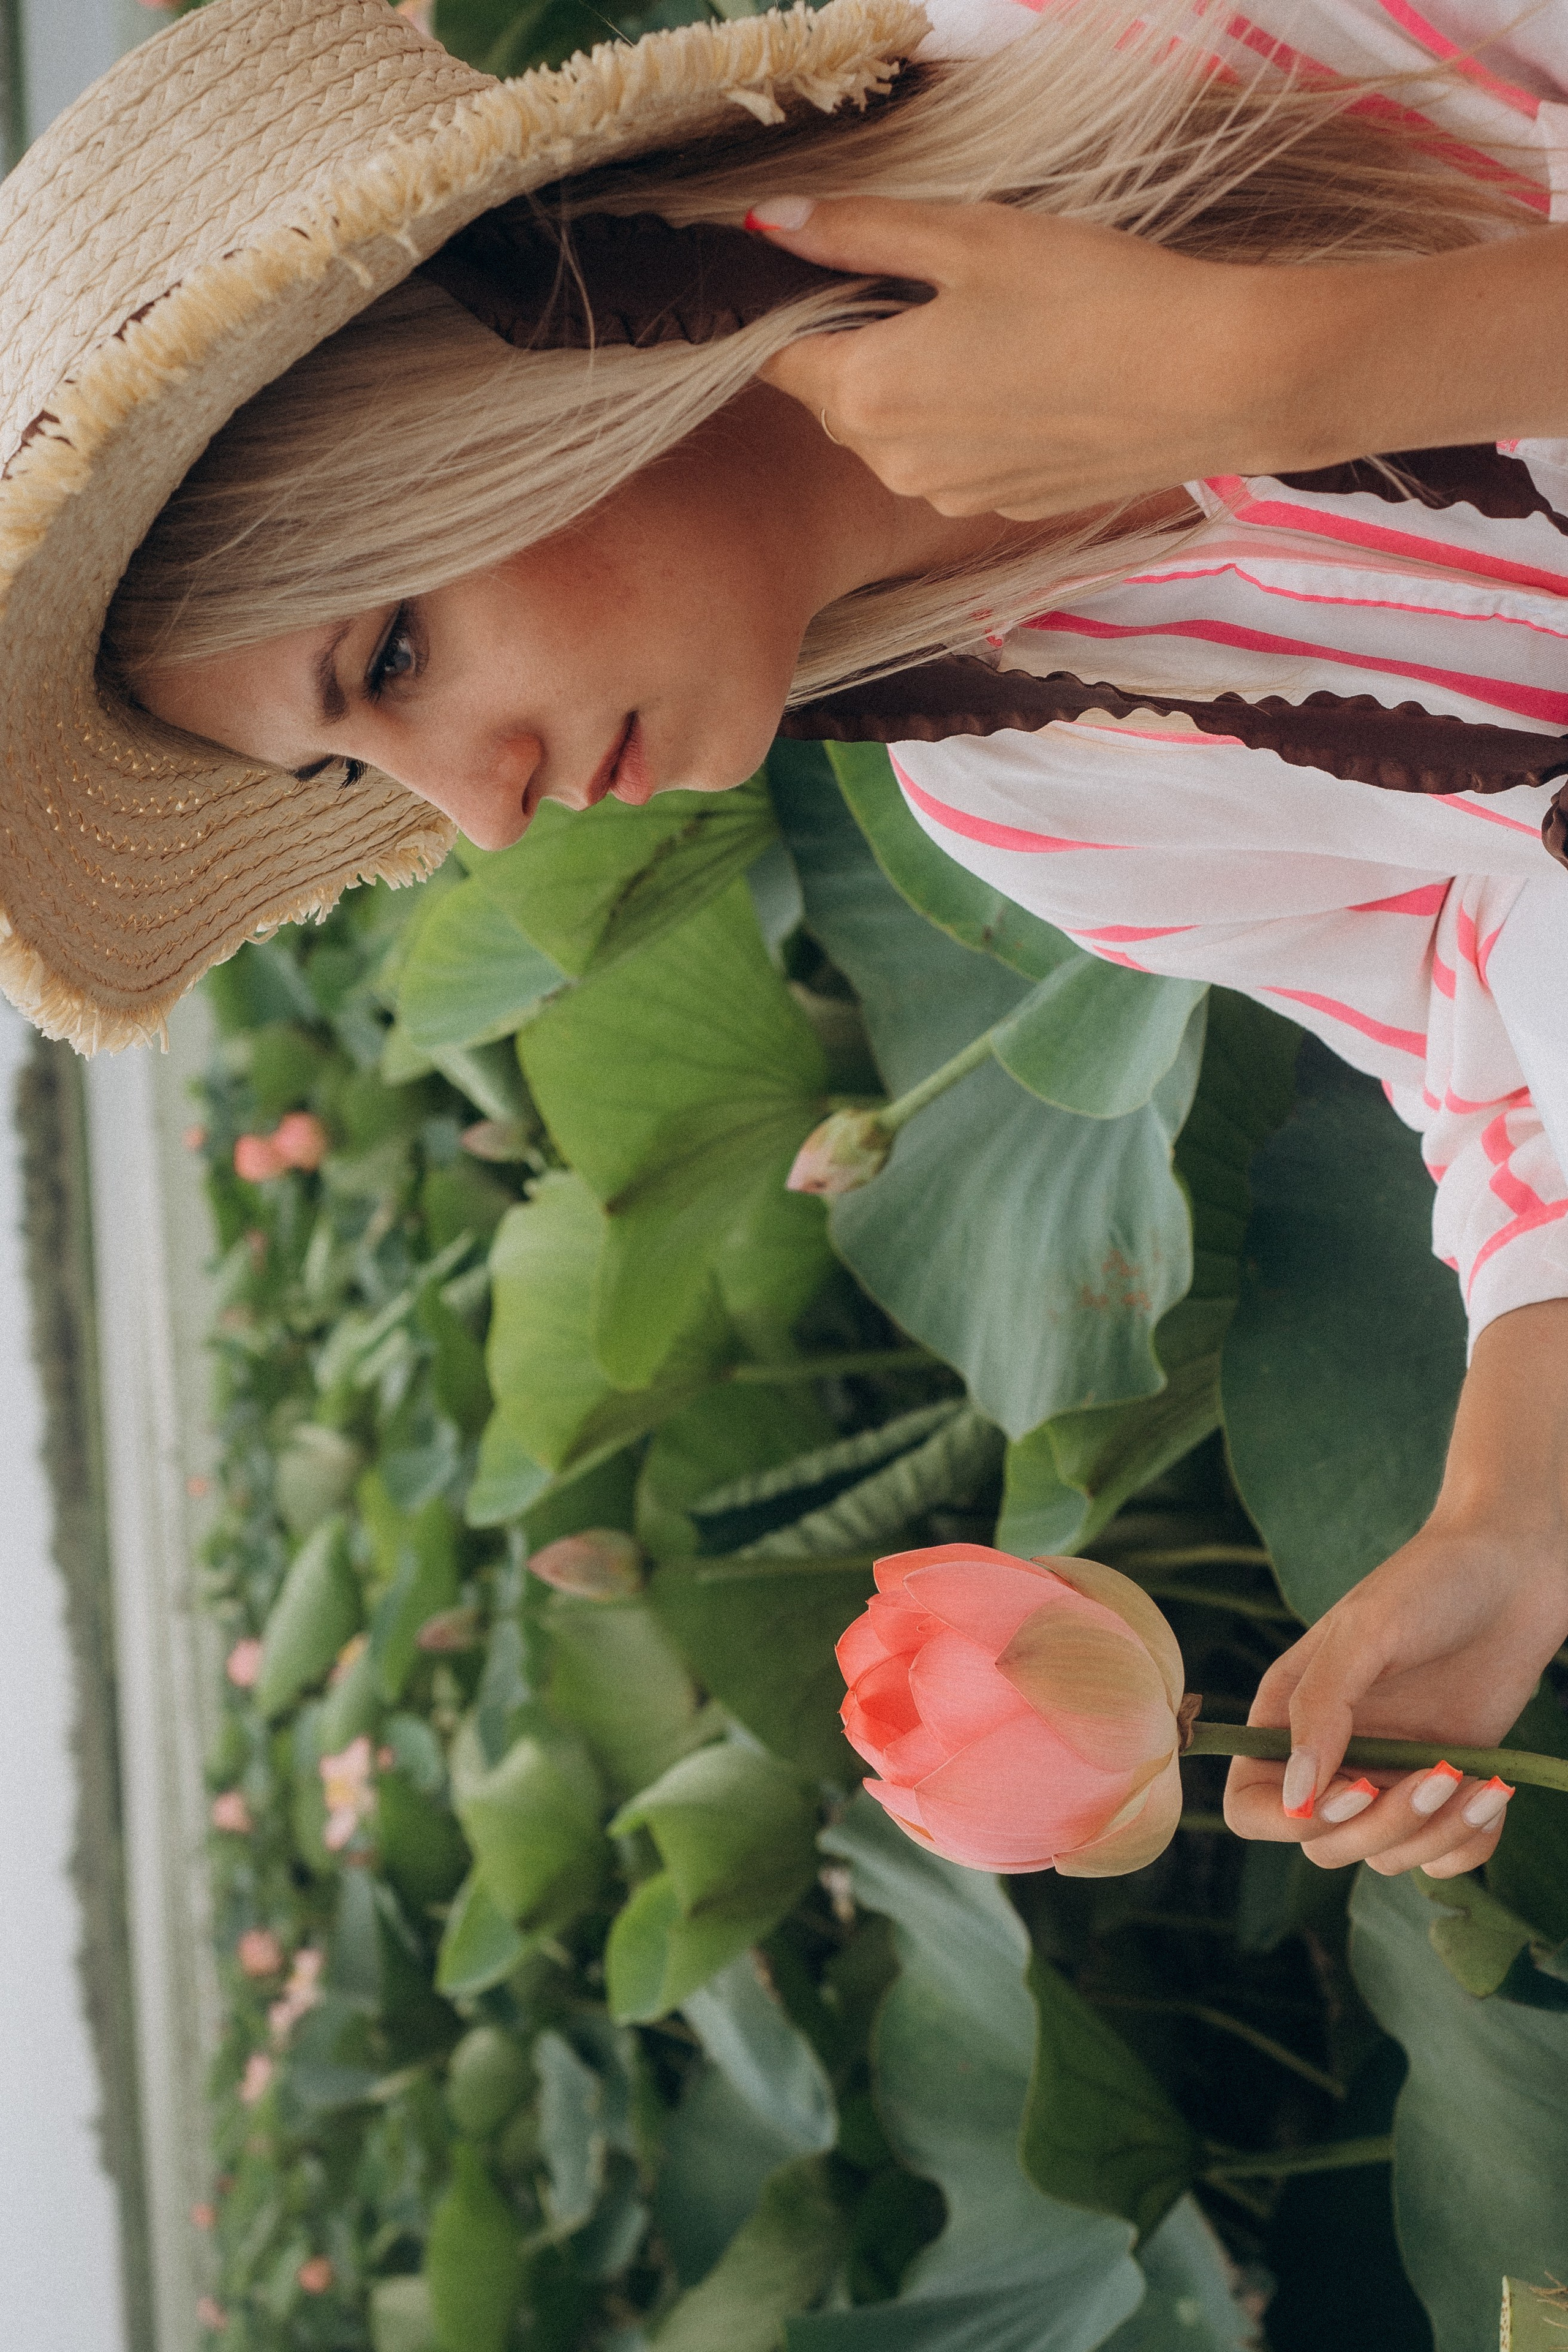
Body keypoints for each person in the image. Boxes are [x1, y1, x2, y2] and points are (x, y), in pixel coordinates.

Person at [6, 0, 1568, 1878]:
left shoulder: (1166, 34)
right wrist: (1508, 1525)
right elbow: (1489, 1018)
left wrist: (1286, 372)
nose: (478, 809)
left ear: (505, 379)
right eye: (362, 767)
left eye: (397, 657)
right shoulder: (1040, 805)